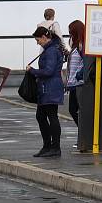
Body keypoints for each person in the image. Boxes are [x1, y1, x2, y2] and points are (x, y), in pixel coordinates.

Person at [27, 26, 65, 157]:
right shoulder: (51, 49)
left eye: (38, 40)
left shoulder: (51, 51)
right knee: (41, 116)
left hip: (50, 87)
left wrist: (32, 71)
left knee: (51, 116)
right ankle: (48, 146)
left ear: (44, 37)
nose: (37, 42)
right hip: (47, 87)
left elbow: (49, 71)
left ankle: (54, 148)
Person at [66, 20, 85, 126]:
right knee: (74, 110)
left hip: (78, 83)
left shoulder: (81, 46)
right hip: (74, 82)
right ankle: (83, 135)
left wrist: (79, 75)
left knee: (74, 110)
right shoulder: (76, 46)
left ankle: (84, 134)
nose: (70, 35)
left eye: (71, 32)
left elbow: (86, 63)